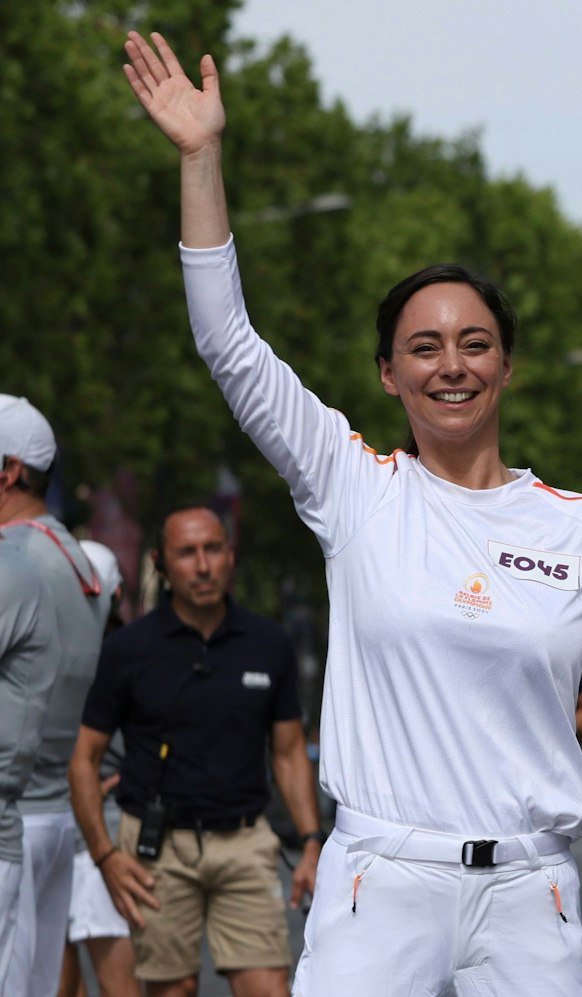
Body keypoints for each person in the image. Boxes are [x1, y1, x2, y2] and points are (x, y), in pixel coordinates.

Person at [121, 29, 582, 993]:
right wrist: (200, 158)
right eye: (423, 348)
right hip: (381, 885)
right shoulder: (355, 488)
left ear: (506, 364)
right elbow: (230, 346)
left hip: (530, 894)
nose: (450, 365)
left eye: (474, 344)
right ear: (389, 373)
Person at [69, 505, 317, 997]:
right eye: (187, 553)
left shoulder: (267, 643)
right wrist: (104, 856)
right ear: (161, 564)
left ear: (230, 555)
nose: (202, 566)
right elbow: (84, 758)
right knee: (172, 989)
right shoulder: (130, 648)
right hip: (156, 849)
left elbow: (288, 752)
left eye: (213, 549)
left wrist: (311, 841)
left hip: (245, 840)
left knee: (269, 986)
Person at [0, 395, 104, 993]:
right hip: (51, 815)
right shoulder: (73, 553)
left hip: (19, 810)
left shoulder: (15, 556)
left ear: (9, 470)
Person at [59, 540, 140, 997]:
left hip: (102, 842)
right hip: (56, 837)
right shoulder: (49, 650)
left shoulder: (122, 658)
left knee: (116, 985)